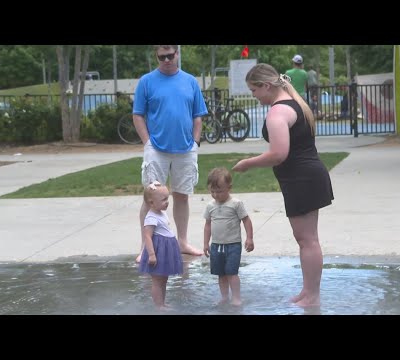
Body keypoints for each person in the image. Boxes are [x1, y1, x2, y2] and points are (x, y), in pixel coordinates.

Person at [232, 63, 334, 308]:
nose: (253, 96)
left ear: (266, 86)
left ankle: (312, 296)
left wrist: (248, 163)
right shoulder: (295, 102)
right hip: (306, 177)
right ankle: (308, 291)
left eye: (253, 90)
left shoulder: (278, 112)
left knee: (307, 240)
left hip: (302, 179)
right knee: (306, 239)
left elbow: (278, 154)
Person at [133, 45, 208, 263]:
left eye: (170, 55)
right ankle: (146, 247)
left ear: (177, 54)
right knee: (151, 198)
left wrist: (195, 142)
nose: (166, 60)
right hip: (156, 148)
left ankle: (182, 241)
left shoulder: (190, 81)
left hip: (185, 149)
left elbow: (197, 115)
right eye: (161, 57)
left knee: (182, 195)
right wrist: (147, 143)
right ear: (156, 56)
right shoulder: (146, 82)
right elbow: (138, 115)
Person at [203, 167, 254, 306]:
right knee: (221, 274)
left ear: (229, 188)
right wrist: (205, 243)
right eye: (212, 191)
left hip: (233, 245)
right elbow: (208, 225)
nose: (215, 195)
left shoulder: (236, 204)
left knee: (232, 273)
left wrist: (249, 238)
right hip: (216, 245)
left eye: (219, 191)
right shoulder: (210, 206)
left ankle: (236, 297)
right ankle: (224, 297)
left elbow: (246, 220)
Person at [138, 181, 183, 310]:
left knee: (164, 279)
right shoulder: (151, 217)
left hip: (165, 250)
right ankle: (159, 306)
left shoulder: (161, 212)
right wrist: (151, 254)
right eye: (164, 199)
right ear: (151, 203)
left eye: (167, 198)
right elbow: (147, 236)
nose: (167, 202)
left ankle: (162, 303)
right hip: (158, 252)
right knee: (157, 280)